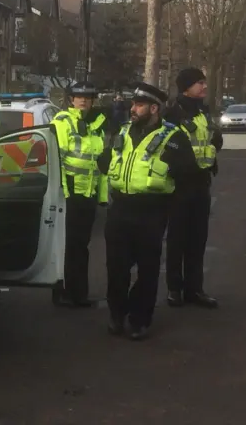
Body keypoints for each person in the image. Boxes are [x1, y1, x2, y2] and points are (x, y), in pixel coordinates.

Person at [98, 82, 201, 341]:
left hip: (151, 212)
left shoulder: (172, 138)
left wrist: (174, 209)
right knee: (116, 268)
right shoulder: (122, 132)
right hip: (120, 207)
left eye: (139, 105)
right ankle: (116, 314)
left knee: (147, 269)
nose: (133, 109)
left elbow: (187, 176)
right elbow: (105, 162)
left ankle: (139, 319)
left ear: (154, 108)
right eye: (133, 104)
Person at [163, 67, 222, 308]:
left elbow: (212, 139)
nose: (204, 87)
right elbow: (166, 146)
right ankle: (174, 289)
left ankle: (194, 289)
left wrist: (215, 142)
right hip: (179, 186)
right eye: (199, 83)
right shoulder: (173, 112)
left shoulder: (203, 112)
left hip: (201, 183)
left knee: (198, 240)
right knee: (177, 240)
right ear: (186, 86)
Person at [51, 81, 108, 308]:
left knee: (81, 246)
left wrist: (101, 196)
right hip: (69, 193)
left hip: (89, 194)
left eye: (88, 97)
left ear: (93, 100)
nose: (83, 100)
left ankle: (79, 294)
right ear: (71, 99)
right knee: (66, 246)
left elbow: (100, 167)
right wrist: (64, 192)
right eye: (79, 96)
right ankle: (62, 292)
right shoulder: (62, 123)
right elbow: (59, 161)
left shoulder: (98, 127)